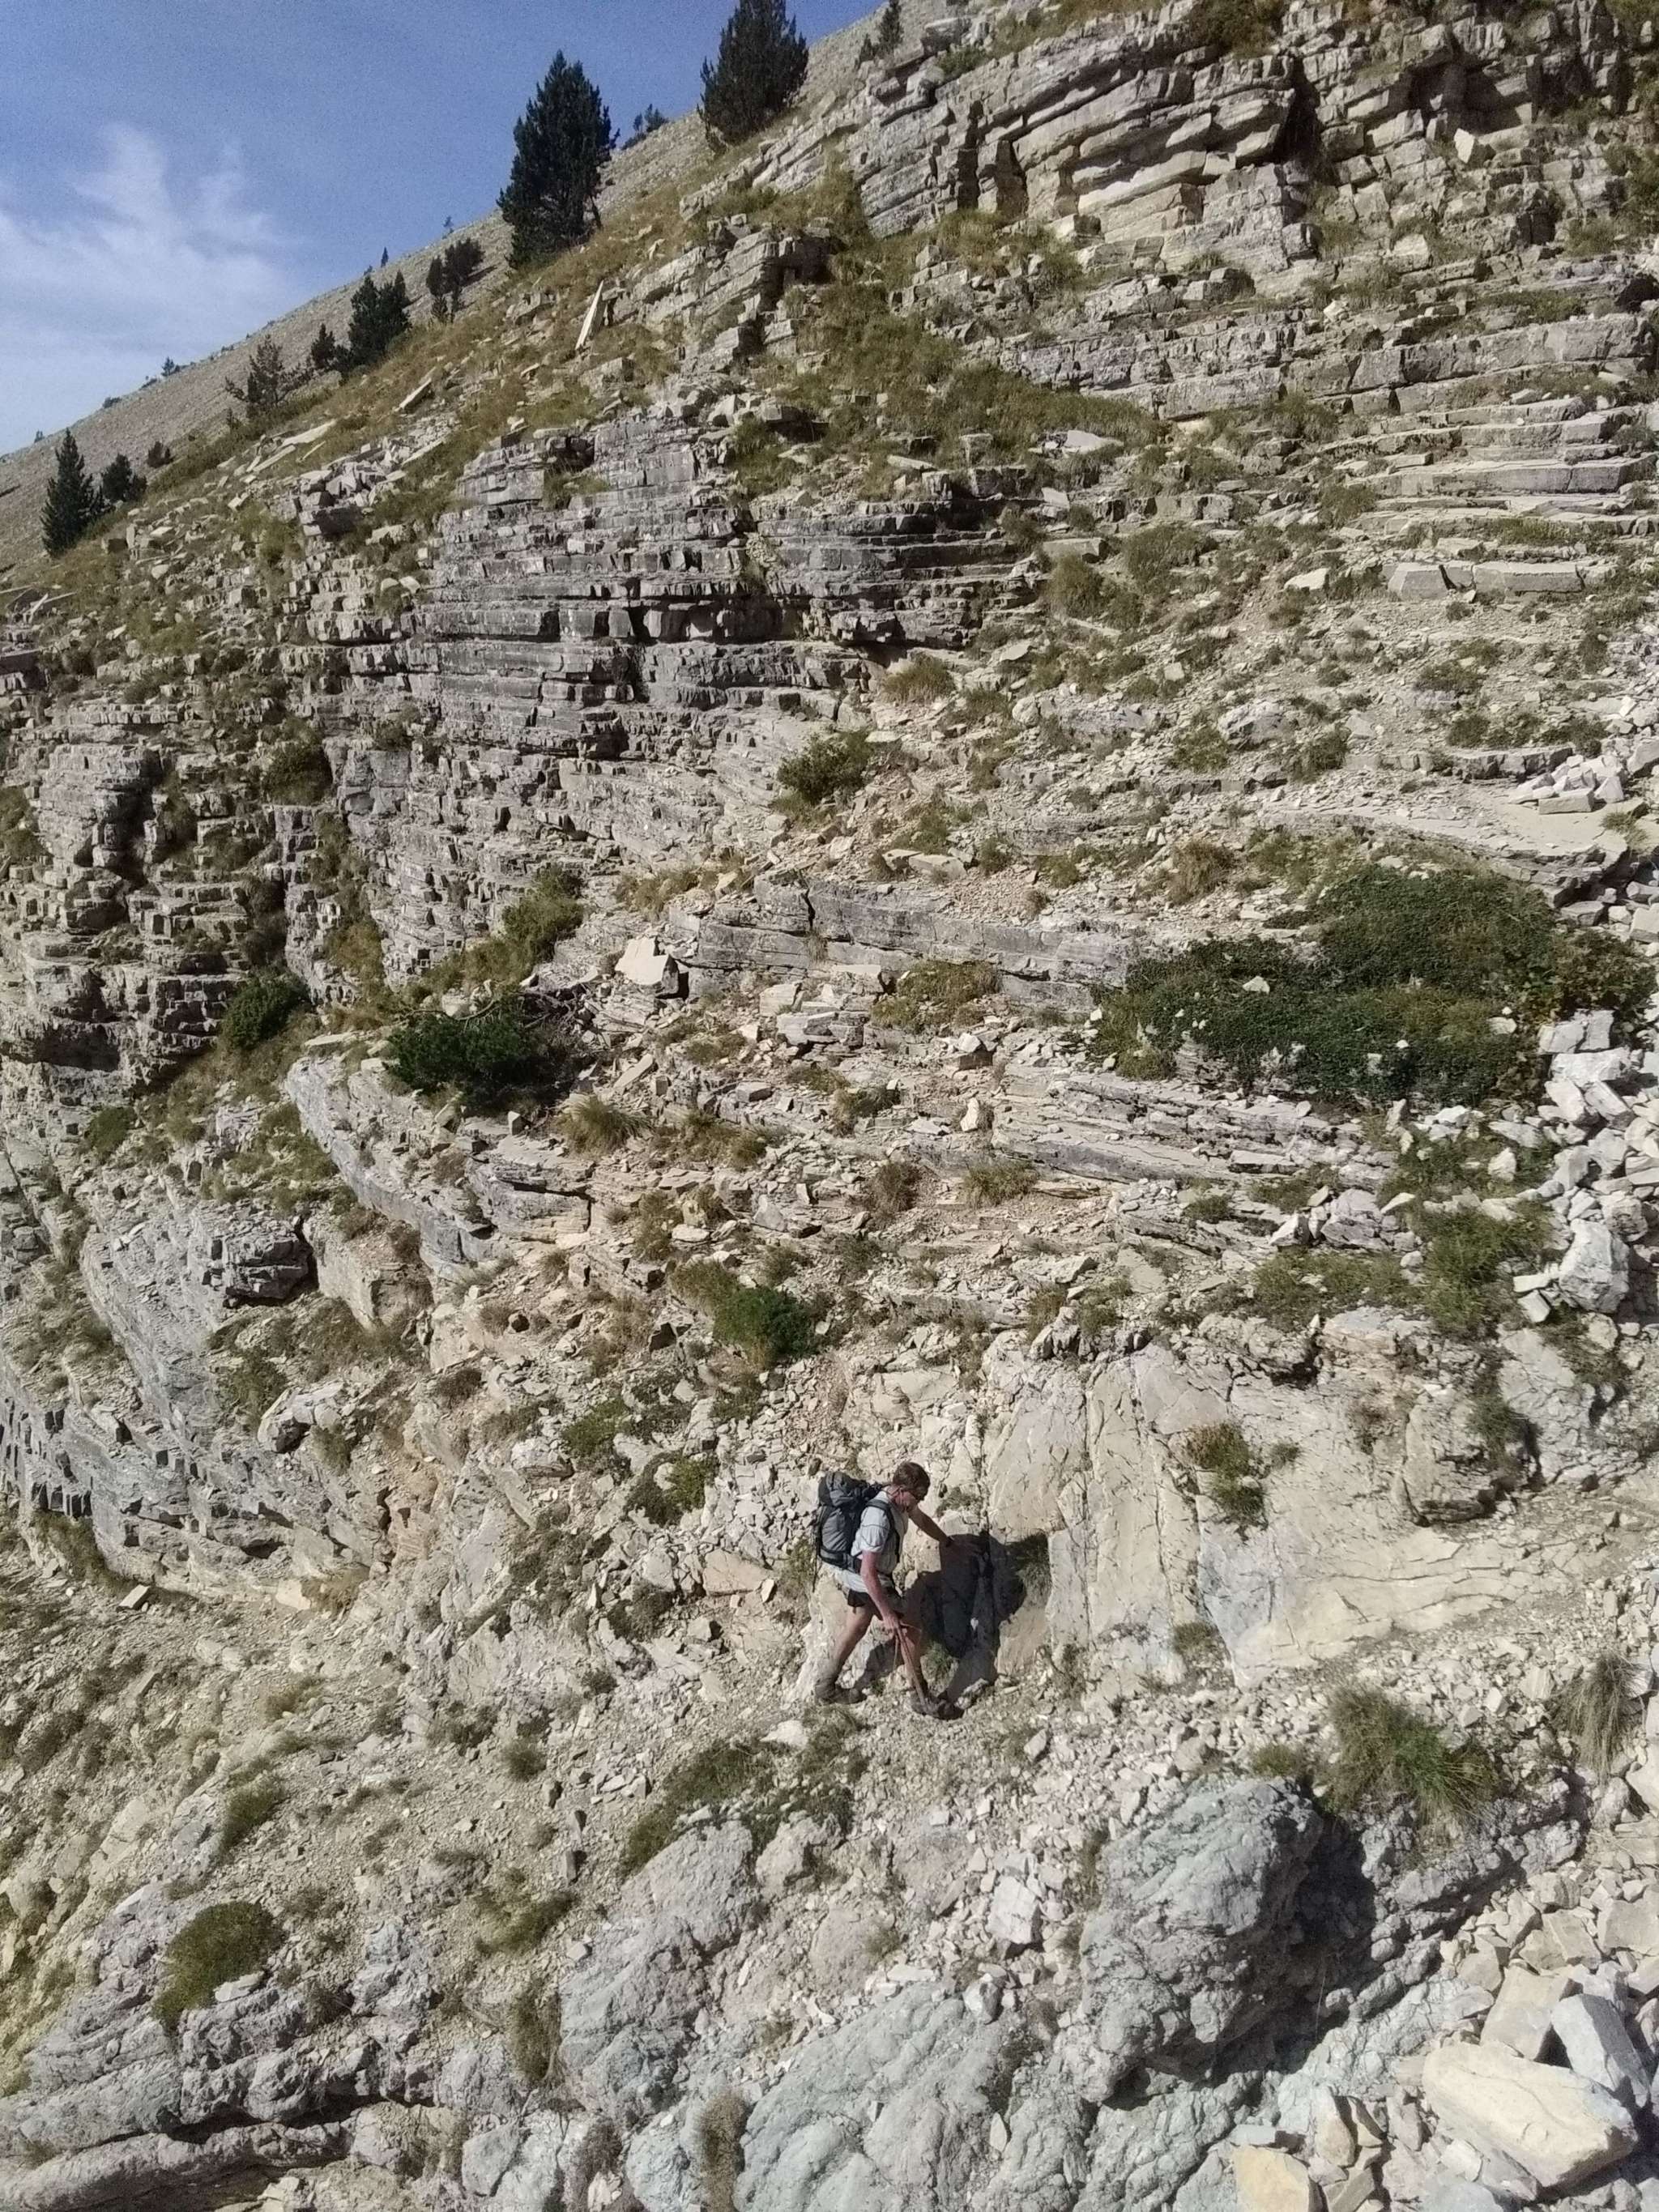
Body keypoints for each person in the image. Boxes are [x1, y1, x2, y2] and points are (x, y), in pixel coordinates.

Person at [815, 1460, 959, 1719]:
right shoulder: (878, 1519)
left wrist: (946, 1541)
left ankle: (825, 1687)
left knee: (856, 1627)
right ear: (901, 1490)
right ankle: (921, 1697)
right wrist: (888, 1614)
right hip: (867, 1579)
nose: (920, 1500)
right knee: (910, 1629)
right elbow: (867, 1572)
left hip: (862, 1575)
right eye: (918, 1496)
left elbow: (922, 1520)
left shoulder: (902, 1503)